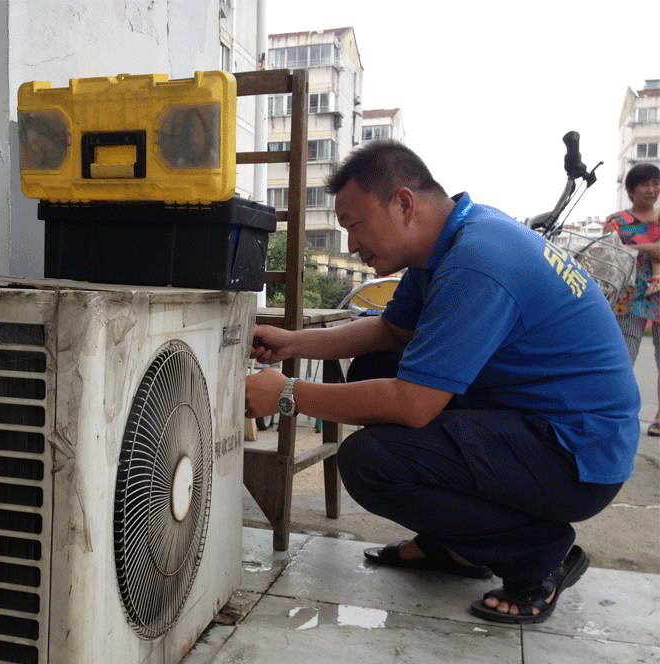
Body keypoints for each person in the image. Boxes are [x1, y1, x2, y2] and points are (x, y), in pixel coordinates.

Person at [246, 141, 640, 624]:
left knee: (371, 463)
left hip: (577, 454)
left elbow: (414, 405)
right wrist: (293, 343)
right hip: (537, 423)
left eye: (353, 225)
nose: (350, 245)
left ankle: (540, 555)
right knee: (375, 368)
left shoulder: (478, 261)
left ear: (404, 204)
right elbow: (392, 332)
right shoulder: (446, 244)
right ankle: (456, 548)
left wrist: (286, 395)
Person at [603, 163, 660, 436]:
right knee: (623, 356)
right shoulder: (617, 221)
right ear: (630, 190)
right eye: (644, 185)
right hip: (628, 298)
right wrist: (650, 248)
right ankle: (617, 415)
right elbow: (607, 255)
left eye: (656, 184)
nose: (652, 190)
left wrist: (639, 248)